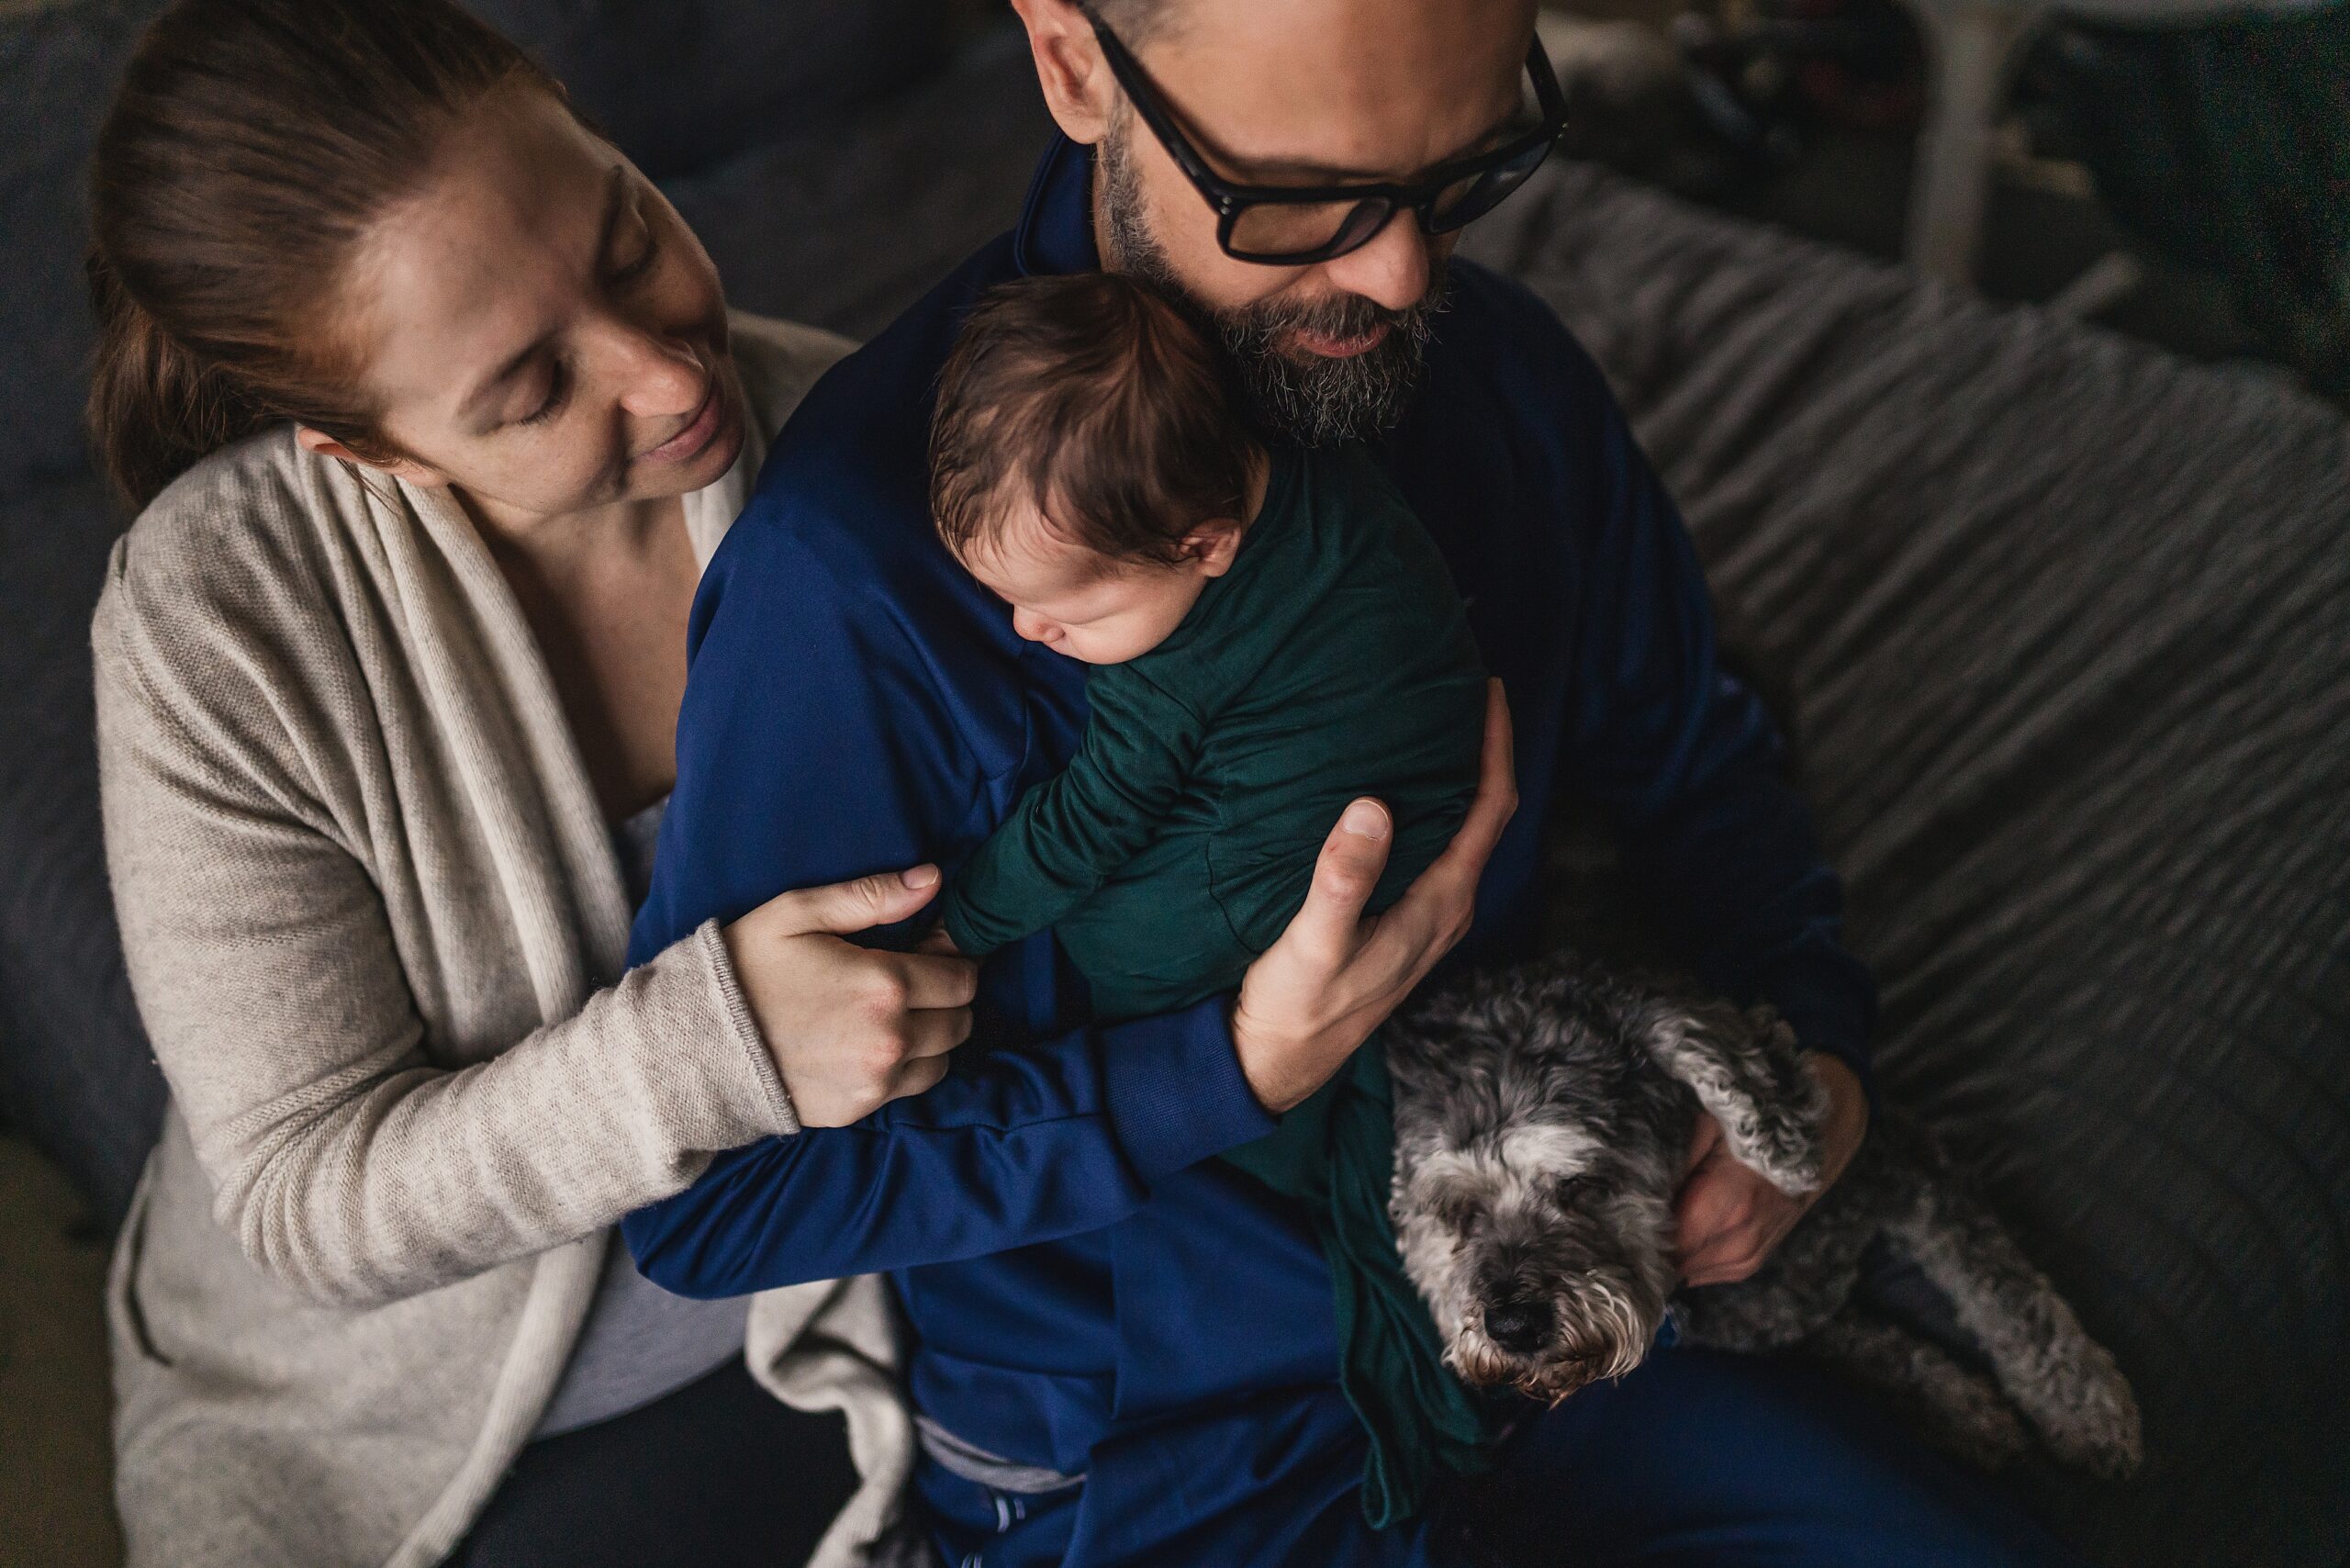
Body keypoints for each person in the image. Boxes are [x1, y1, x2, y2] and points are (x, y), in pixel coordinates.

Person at [621, 0, 2081, 1563]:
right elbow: (714, 1208)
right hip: (1170, 1462)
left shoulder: (1496, 376)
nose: (1399, 273)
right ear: (1071, 64)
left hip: (1572, 1337)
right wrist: (1226, 1073)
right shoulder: (862, 586)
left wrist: (1819, 1062)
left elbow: (1701, 762)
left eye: (1458, 172)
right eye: (1302, 195)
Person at [83, 3, 1449, 1564]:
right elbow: (309, 1197)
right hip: (398, 1411)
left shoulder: (860, 466)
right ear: (365, 451)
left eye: (627, 239)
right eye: (531, 387)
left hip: (835, 1323)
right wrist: (712, 1043)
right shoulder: (221, 621)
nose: (669, 376)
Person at [929, 271, 1488, 1018]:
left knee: (1111, 936)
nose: (1029, 629)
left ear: (1206, 547)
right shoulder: (1316, 456)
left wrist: (961, 924)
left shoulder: (1171, 673)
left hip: (1280, 887)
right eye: (1008, 598)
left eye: (1074, 614)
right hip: (1434, 785)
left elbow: (1088, 823)